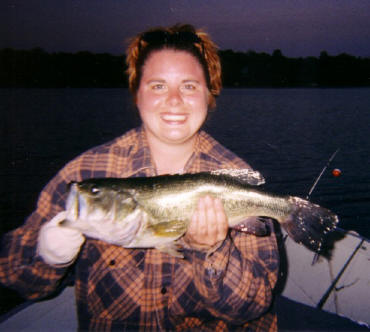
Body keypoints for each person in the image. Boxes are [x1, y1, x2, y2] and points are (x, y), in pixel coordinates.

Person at [0, 24, 279, 331]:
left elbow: (253, 306)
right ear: (136, 94)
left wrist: (213, 252)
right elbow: (15, 275)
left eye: (189, 86)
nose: (174, 100)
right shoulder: (85, 171)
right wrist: (49, 256)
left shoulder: (232, 170)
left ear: (209, 95)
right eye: (157, 86)